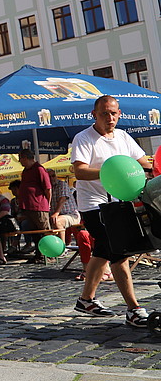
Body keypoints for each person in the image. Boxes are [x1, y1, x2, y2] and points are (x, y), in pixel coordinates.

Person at [71, 95, 152, 326]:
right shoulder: (84, 138)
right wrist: (110, 171)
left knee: (105, 249)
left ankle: (86, 300)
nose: (109, 117)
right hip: (94, 204)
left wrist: (152, 168)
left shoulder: (123, 137)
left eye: (113, 113)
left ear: (119, 114)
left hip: (120, 201)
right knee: (120, 251)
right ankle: (133, 309)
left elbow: (142, 162)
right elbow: (80, 171)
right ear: (94, 114)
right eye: (104, 113)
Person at [17, 149, 52, 264]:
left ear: (25, 158)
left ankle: (49, 254)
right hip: (28, 207)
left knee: (44, 231)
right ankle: (39, 254)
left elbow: (47, 188)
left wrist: (47, 203)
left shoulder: (39, 169)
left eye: (20, 158)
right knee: (34, 232)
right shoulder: (25, 171)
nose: (19, 161)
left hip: (39, 206)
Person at [48, 169, 80, 241]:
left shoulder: (61, 184)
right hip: (54, 215)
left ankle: (62, 249)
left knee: (57, 221)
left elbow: (62, 199)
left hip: (71, 215)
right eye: (49, 177)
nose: (51, 178)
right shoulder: (46, 188)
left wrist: (56, 214)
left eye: (53, 176)